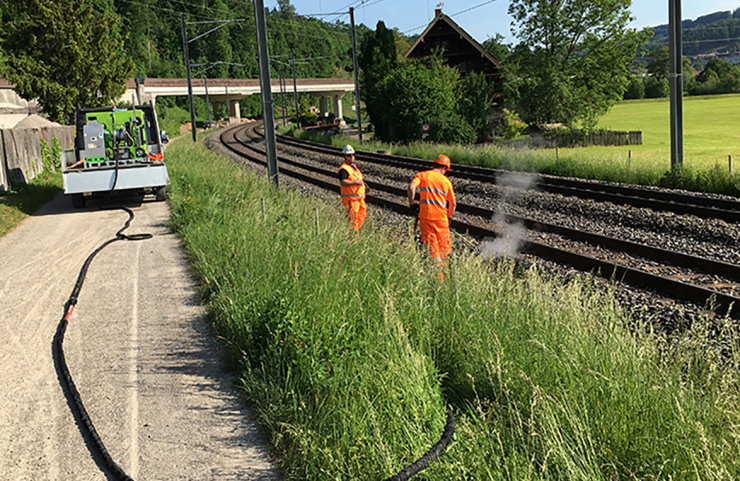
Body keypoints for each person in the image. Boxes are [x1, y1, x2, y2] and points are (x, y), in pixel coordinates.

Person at [407, 154, 457, 279]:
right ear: (444, 168)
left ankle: (437, 278)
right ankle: (447, 277)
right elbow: (453, 203)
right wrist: (449, 216)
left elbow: (411, 187)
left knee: (432, 249)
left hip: (425, 218)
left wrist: (412, 204)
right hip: (441, 219)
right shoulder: (446, 181)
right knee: (444, 249)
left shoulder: (422, 175)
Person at [337, 145, 367, 240]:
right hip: (351, 200)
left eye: (353, 155)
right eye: (349, 155)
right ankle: (353, 240)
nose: (352, 157)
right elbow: (343, 182)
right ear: (344, 157)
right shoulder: (344, 169)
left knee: (361, 216)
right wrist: (355, 182)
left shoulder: (353, 167)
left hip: (359, 198)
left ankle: (355, 235)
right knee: (353, 220)